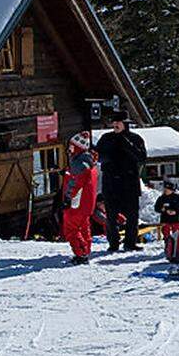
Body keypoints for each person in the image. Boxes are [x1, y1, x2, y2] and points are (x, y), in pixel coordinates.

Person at [94, 110, 147, 252]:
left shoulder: (135, 138)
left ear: (125, 124)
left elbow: (142, 157)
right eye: (114, 122)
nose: (116, 124)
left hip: (129, 182)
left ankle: (130, 242)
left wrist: (127, 145)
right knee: (111, 215)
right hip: (111, 182)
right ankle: (113, 243)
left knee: (132, 215)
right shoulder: (106, 138)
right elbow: (98, 156)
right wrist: (107, 157)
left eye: (119, 122)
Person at [61, 131, 99, 265]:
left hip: (77, 203)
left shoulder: (79, 164)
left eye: (71, 146)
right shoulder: (89, 161)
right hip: (87, 203)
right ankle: (85, 250)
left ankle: (81, 253)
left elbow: (75, 183)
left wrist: (67, 199)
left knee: (71, 228)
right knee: (83, 227)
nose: (69, 149)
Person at [153, 180, 179, 263]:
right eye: (165, 189)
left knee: (177, 236)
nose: (166, 190)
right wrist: (162, 210)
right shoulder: (161, 198)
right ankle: (169, 250)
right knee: (167, 235)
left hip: (175, 220)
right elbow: (156, 208)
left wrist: (175, 212)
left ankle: (177, 252)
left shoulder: (177, 198)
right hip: (165, 220)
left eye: (167, 189)